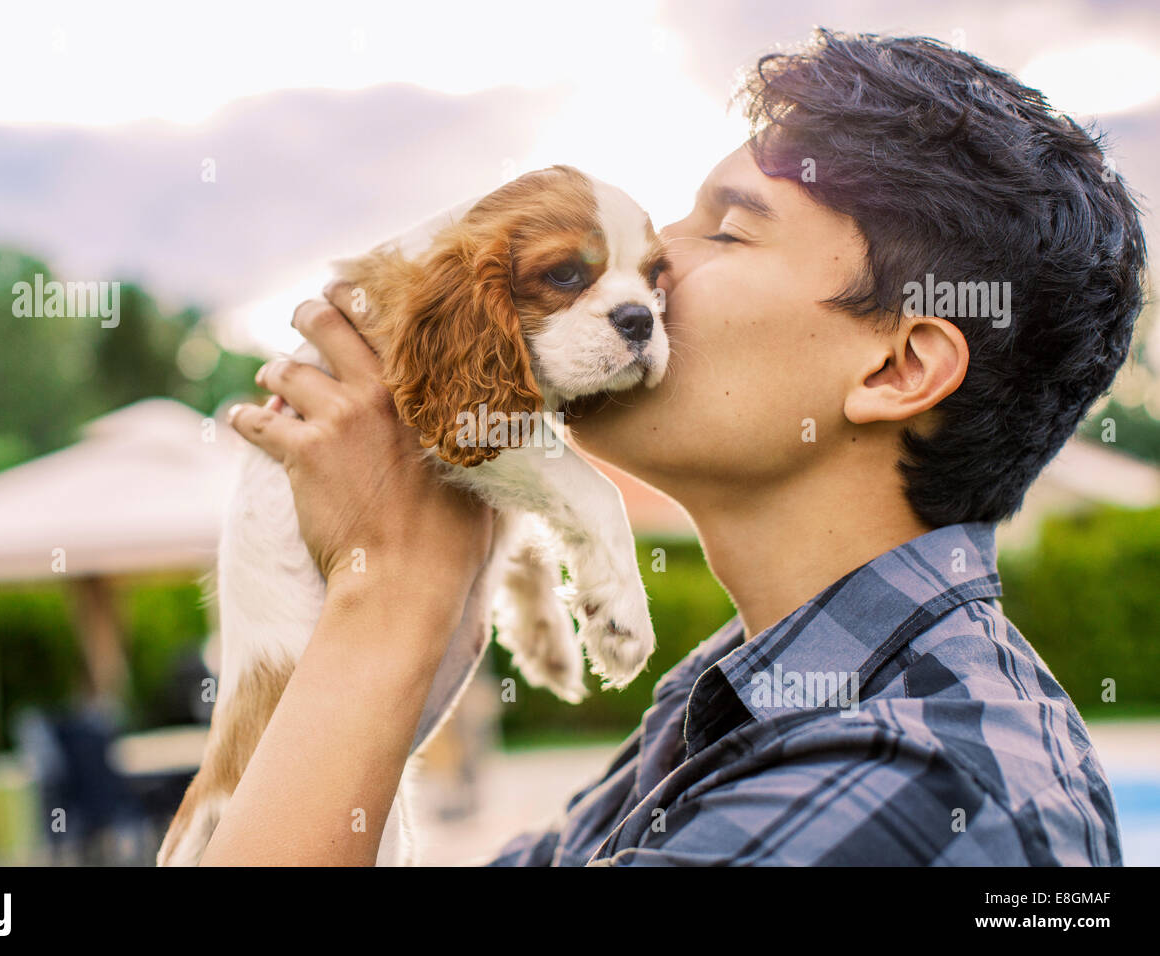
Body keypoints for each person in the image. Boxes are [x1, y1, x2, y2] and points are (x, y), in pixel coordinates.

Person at [204, 29, 1146, 865]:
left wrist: (393, 592)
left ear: (898, 368)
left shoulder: (909, 784)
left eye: (725, 232)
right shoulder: (732, 693)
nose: (656, 276)